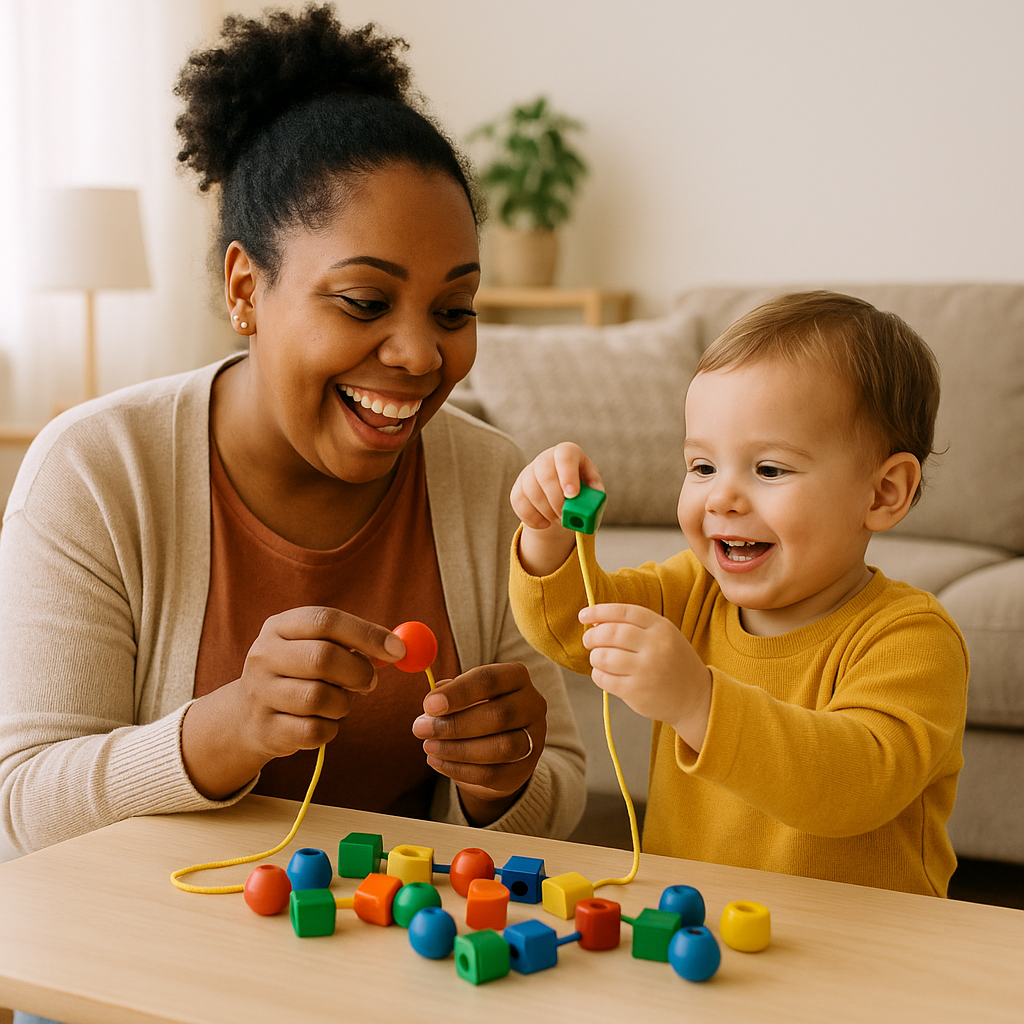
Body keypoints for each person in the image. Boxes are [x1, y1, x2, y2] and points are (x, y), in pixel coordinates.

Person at [0, 4, 585, 865]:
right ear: (245, 289)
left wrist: (501, 781)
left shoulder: (488, 478)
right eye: (364, 301)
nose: (422, 354)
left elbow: (561, 783)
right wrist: (229, 727)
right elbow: (23, 809)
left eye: (454, 310)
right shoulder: (96, 470)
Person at [508, 290, 969, 897]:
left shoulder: (911, 639)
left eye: (769, 469)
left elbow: (855, 785)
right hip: (698, 925)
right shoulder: (691, 591)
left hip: (863, 942)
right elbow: (574, 628)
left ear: (883, 493)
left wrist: (700, 704)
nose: (721, 497)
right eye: (702, 467)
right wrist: (547, 535)